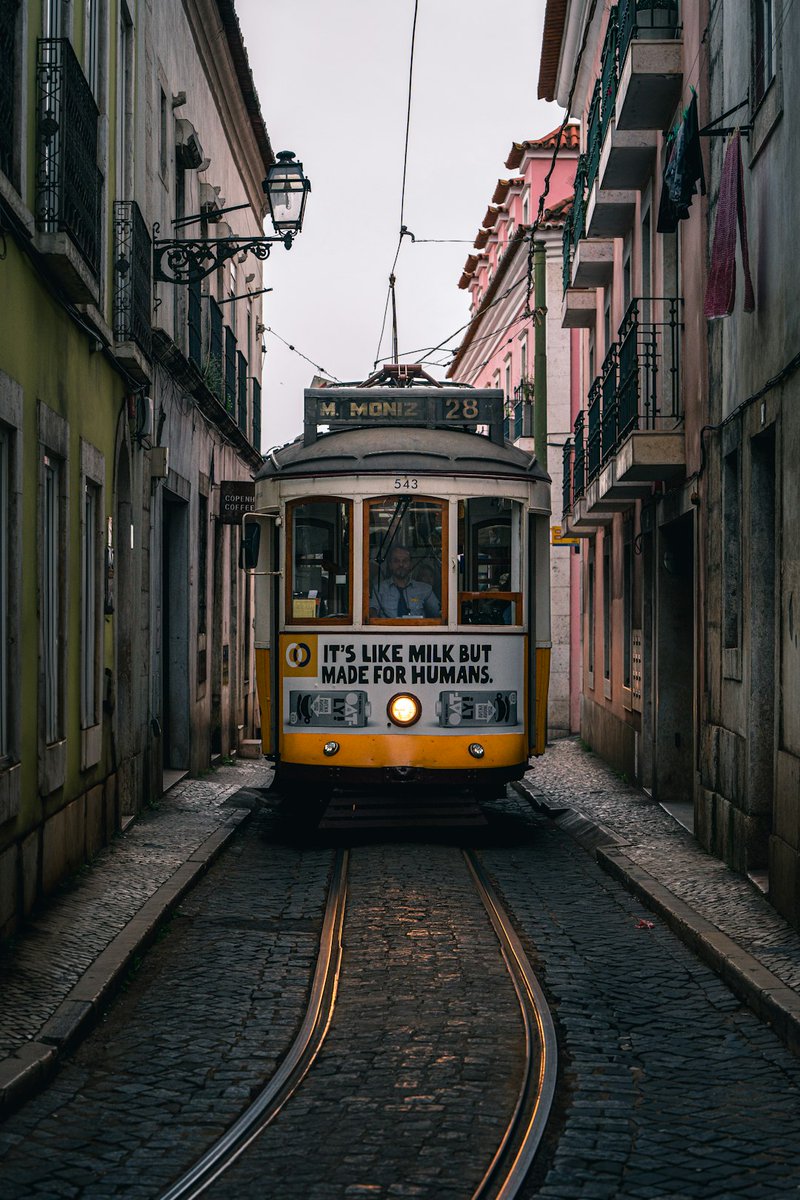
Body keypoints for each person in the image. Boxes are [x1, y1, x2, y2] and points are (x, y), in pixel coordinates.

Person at [370, 545, 440, 618]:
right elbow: (372, 613)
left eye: (405, 561)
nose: (401, 564)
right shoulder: (379, 589)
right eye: (396, 561)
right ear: (390, 565)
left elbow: (440, 614)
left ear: (410, 564)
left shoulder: (425, 589)